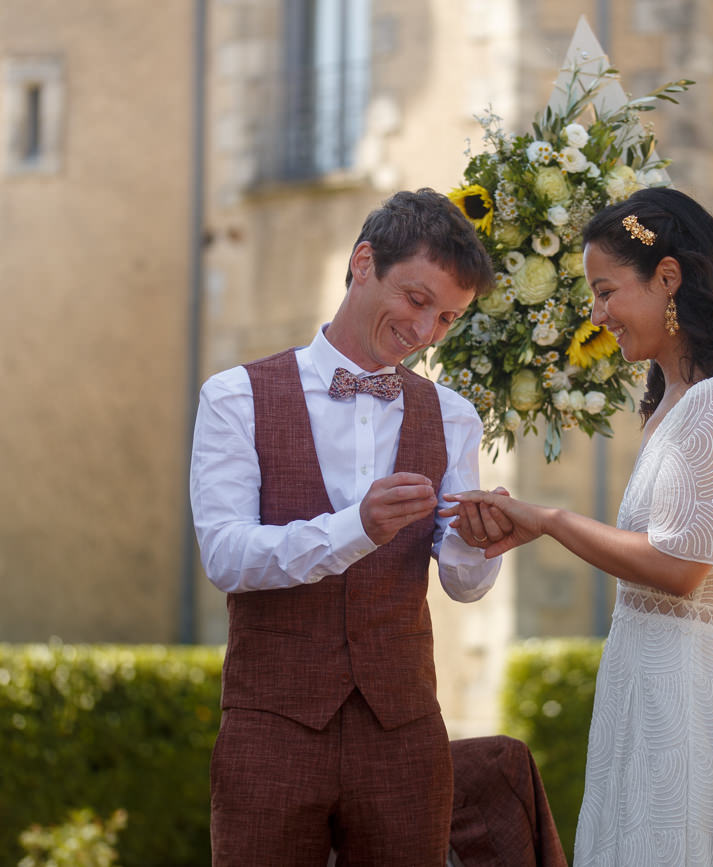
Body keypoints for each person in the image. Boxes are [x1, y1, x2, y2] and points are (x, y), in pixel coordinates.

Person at [445, 186, 713, 866]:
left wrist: (550, 518)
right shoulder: (670, 403)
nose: (597, 313)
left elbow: (679, 569)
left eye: (606, 291)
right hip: (644, 677)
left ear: (668, 278)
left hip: (684, 694)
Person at [190, 188, 513, 866]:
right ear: (363, 262)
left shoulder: (452, 416)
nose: (425, 333)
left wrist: (479, 547)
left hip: (404, 729)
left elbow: (459, 580)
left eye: (447, 318)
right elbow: (224, 554)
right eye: (417, 300)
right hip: (271, 725)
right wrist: (354, 528)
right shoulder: (234, 396)